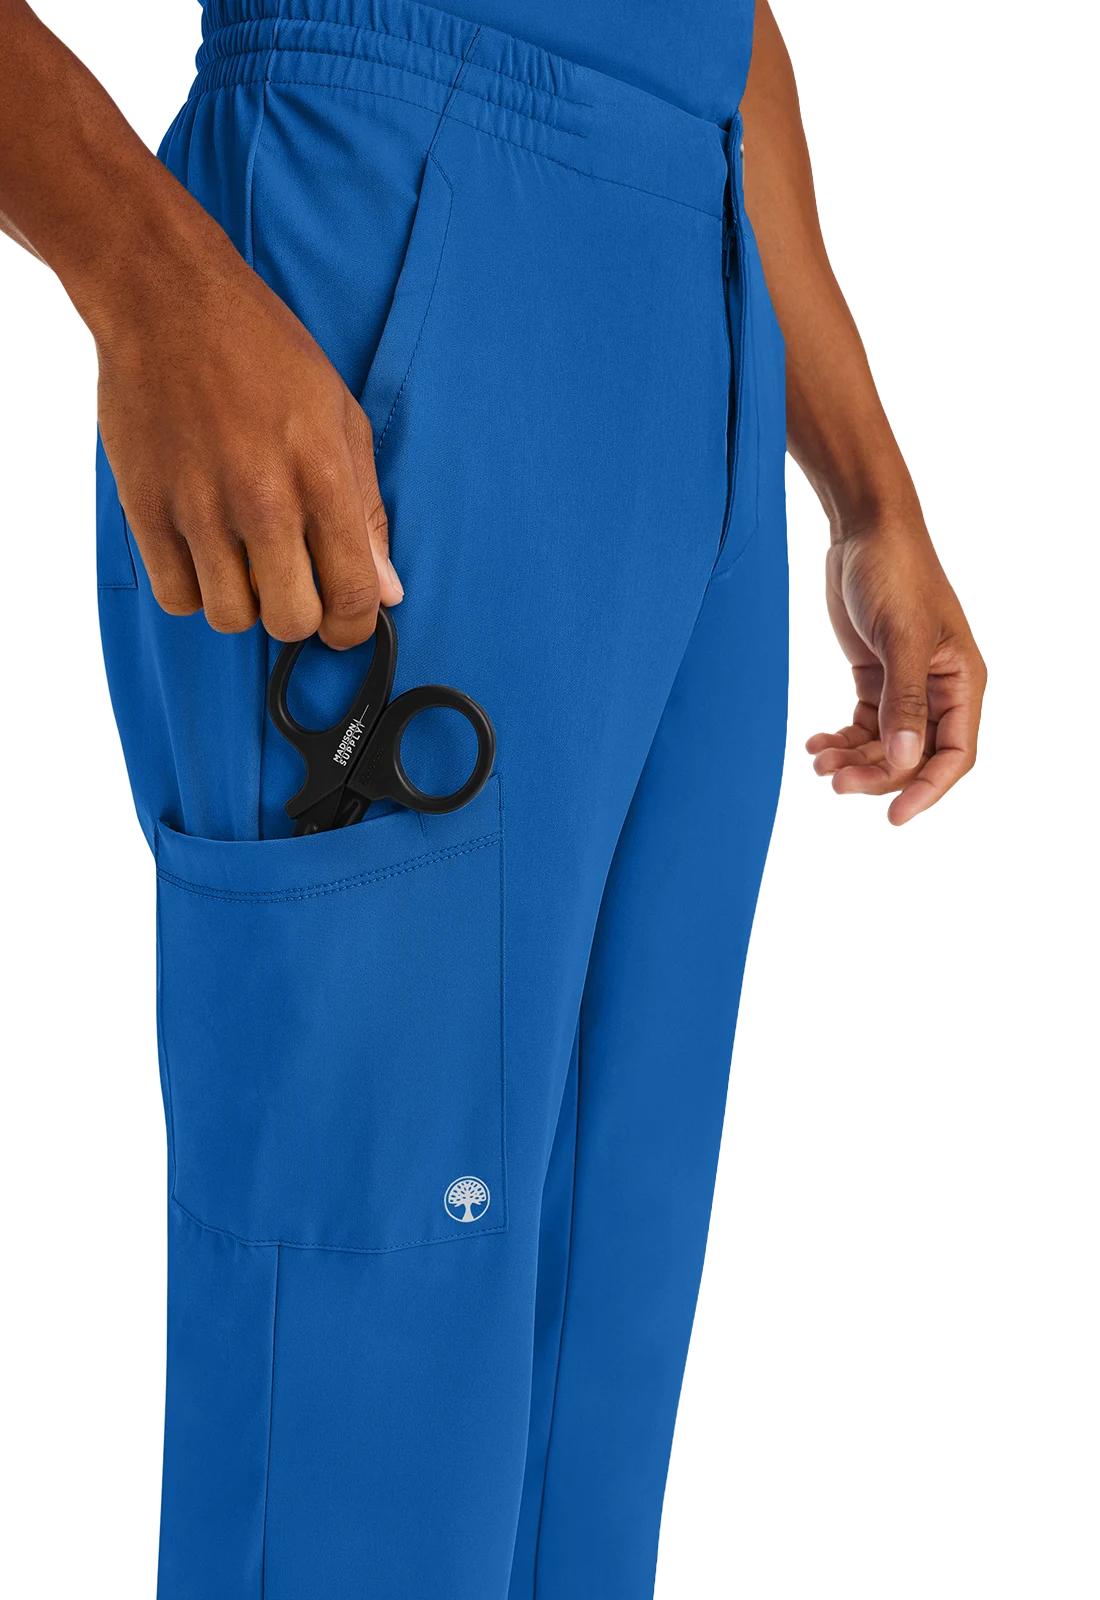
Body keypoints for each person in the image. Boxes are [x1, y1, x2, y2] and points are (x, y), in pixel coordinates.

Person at [0, 0, 988, 1594]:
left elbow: (731, 34)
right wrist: (144, 270)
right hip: (394, 206)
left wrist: (873, 496)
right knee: (375, 1321)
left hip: (700, 286)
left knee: (601, 1316)